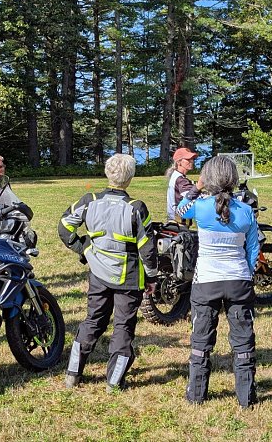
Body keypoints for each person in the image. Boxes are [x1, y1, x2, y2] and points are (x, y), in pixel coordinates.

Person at [59, 154, 158, 391]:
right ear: (130, 178)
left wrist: (83, 248)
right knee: (123, 327)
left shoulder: (89, 200)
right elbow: (147, 247)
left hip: (98, 272)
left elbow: (64, 227)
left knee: (93, 320)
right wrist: (152, 276)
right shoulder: (137, 207)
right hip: (130, 276)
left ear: (107, 173)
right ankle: (114, 381)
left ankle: (73, 373)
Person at [177, 155, 260, 408]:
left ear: (208, 179)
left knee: (201, 339)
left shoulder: (200, 207)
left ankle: (197, 394)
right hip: (238, 280)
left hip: (207, 282)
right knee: (243, 340)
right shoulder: (246, 211)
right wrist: (245, 272)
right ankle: (246, 397)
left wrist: (196, 187)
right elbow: (253, 249)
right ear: (234, 179)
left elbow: (179, 210)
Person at [166, 147, 200, 222]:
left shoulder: (176, 175)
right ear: (179, 162)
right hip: (178, 221)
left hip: (174, 218)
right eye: (188, 159)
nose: (191, 161)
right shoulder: (180, 179)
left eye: (192, 159)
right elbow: (192, 196)